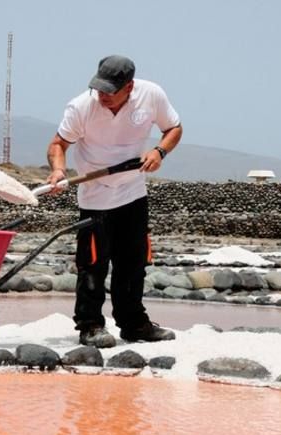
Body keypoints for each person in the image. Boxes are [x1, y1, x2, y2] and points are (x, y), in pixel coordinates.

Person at [45, 55, 183, 348]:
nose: (103, 95)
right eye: (99, 89)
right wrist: (58, 170)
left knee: (133, 263)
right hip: (95, 195)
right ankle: (90, 325)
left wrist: (159, 151)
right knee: (93, 263)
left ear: (129, 86)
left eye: (110, 90)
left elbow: (174, 128)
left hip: (133, 192)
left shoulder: (151, 95)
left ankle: (133, 324)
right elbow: (58, 144)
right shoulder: (81, 106)